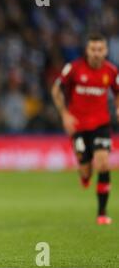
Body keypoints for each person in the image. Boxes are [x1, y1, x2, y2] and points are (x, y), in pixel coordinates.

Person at [51, 33, 119, 225]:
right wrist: (64, 115)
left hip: (101, 125)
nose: (96, 53)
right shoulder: (73, 69)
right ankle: (85, 175)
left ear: (105, 51)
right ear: (87, 51)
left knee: (103, 163)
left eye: (100, 50)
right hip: (79, 126)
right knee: (86, 171)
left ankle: (102, 213)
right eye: (92, 49)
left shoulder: (111, 71)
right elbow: (56, 90)